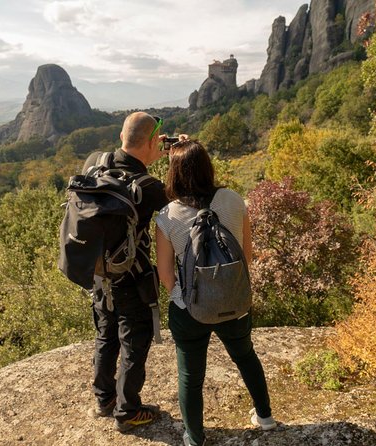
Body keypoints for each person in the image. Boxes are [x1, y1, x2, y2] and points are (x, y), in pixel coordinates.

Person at [154, 140, 276, 446]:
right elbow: (247, 254)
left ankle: (195, 438)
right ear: (208, 166)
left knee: (190, 376)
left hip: (189, 309)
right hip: (234, 302)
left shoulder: (168, 216)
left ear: (174, 173)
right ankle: (265, 418)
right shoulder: (235, 200)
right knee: (246, 356)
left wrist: (186, 297)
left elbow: (166, 275)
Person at [86, 112, 168, 432]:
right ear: (151, 142)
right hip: (131, 278)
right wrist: (175, 157)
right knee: (135, 340)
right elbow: (183, 198)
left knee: (105, 334)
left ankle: (104, 397)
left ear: (122, 136)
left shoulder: (96, 163)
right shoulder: (148, 187)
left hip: (98, 274)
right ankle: (128, 411)